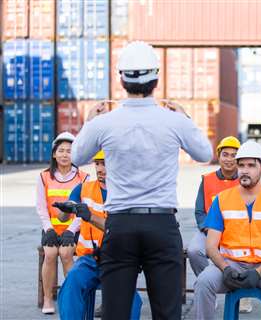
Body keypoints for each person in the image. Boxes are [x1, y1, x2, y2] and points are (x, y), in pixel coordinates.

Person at [70, 41, 213, 320]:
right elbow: (205, 153)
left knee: (116, 312)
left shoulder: (104, 123)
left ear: (121, 79)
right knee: (167, 312)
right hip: (161, 225)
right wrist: (185, 117)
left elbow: (76, 156)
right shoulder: (174, 121)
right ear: (156, 79)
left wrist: (89, 121)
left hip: (120, 225)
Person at [194, 140, 261, 320]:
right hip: (231, 265)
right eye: (241, 165)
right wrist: (225, 269)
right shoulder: (222, 200)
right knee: (203, 282)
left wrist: (259, 271)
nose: (245, 170)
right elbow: (210, 246)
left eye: (251, 165)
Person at [55, 150, 142, 320]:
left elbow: (119, 229)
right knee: (71, 285)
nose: (101, 168)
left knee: (133, 301)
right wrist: (65, 210)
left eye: (105, 163)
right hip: (89, 260)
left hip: (118, 261)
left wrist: (90, 217)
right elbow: (63, 216)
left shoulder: (129, 194)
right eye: (97, 164)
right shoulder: (84, 188)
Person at [36, 132, 89, 314]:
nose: (65, 155)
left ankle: (71, 299)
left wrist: (71, 229)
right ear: (54, 154)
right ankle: (48, 300)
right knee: (50, 254)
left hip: (73, 228)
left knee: (66, 254)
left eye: (69, 151)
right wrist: (48, 228)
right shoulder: (43, 177)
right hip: (51, 228)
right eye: (61, 150)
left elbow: (84, 209)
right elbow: (41, 208)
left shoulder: (83, 177)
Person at [187, 136, 240, 275]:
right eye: (225, 155)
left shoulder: (245, 180)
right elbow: (199, 212)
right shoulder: (207, 180)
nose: (229, 159)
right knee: (194, 251)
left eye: (234, 156)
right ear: (219, 156)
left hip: (237, 233)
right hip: (209, 230)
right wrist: (209, 230)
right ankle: (209, 281)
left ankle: (232, 286)